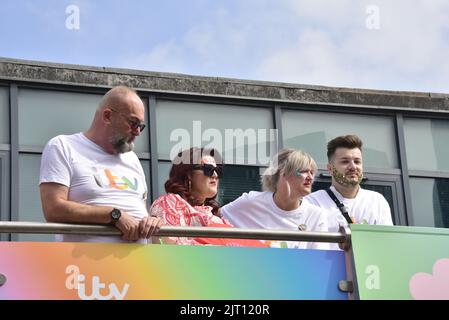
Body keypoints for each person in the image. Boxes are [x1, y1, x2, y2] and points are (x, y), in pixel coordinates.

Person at [39, 86, 163, 243]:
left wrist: (150, 221)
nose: (137, 132)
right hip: (84, 265)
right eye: (133, 123)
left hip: (137, 263)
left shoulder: (132, 159)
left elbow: (138, 210)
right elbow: (53, 210)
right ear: (107, 116)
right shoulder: (63, 146)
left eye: (140, 126)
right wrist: (113, 215)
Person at [149, 147, 266, 247]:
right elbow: (171, 248)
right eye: (208, 170)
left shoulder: (217, 217)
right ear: (188, 174)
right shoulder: (169, 203)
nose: (215, 175)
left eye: (217, 170)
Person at [220, 148, 329, 250]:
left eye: (312, 172)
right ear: (283, 173)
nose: (310, 177)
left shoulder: (316, 215)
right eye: (304, 171)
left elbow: (319, 263)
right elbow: (213, 218)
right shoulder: (251, 201)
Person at [303, 134, 393, 249]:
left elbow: (387, 245)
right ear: (330, 169)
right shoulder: (312, 202)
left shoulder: (377, 201)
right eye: (345, 162)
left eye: (357, 161)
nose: (353, 166)